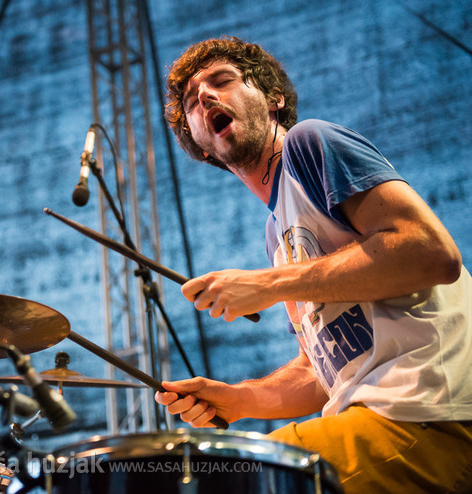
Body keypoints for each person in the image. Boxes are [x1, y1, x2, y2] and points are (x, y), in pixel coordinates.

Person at [154, 36, 472, 493]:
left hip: (429, 414)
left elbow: (430, 253)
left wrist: (270, 285)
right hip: (376, 421)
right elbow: (319, 371)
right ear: (201, 147)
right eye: (191, 102)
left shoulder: (309, 144)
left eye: (222, 81)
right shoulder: (275, 235)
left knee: (241, 477)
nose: (205, 97)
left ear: (274, 100)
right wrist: (237, 399)